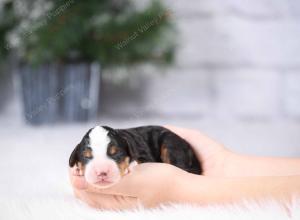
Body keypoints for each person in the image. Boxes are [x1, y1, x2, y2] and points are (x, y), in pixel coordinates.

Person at [69, 125, 300, 210]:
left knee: (168, 144)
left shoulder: (135, 146)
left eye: (115, 155)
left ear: (127, 151)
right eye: (87, 158)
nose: (100, 168)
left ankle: (189, 173)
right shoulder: (120, 143)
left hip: (163, 142)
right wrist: (223, 164)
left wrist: (182, 188)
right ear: (77, 158)